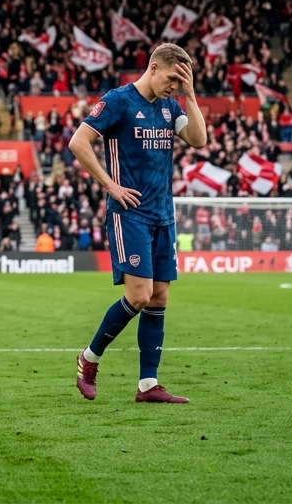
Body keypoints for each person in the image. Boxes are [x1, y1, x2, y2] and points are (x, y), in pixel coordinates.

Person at [67, 43, 207, 404]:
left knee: (159, 296)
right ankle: (89, 357)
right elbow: (78, 142)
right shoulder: (118, 100)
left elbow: (198, 139)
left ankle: (148, 384)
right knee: (139, 295)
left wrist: (189, 95)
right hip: (130, 214)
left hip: (163, 214)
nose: (174, 87)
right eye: (173, 80)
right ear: (155, 66)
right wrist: (110, 186)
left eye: (181, 83)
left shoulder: (169, 107)